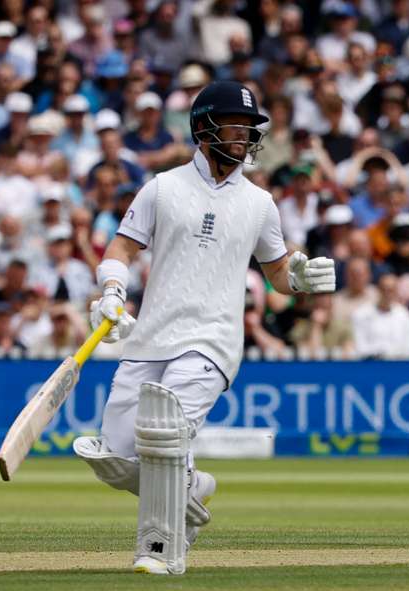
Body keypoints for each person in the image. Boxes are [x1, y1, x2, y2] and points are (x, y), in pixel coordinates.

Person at [71, 80, 336, 575]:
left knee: (164, 434)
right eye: (234, 126)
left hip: (212, 341)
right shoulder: (163, 187)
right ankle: (191, 488)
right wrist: (111, 292)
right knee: (115, 457)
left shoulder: (259, 203)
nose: (243, 137)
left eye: (248, 129)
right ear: (202, 128)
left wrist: (300, 276)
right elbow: (121, 249)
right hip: (150, 338)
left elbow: (278, 275)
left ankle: (161, 552)